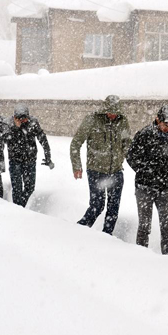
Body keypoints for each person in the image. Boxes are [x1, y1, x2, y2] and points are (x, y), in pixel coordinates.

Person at [126, 104, 168, 255]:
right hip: (144, 187)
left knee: (167, 225)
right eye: (165, 124)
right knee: (144, 225)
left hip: (164, 187)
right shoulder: (145, 134)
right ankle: (141, 253)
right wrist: (146, 171)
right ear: (158, 120)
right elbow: (131, 156)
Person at [71, 95, 132, 234]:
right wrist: (76, 166)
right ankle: (78, 231)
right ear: (104, 109)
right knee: (97, 206)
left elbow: (127, 144)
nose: (112, 115)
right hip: (96, 170)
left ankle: (106, 237)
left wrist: (130, 161)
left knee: (113, 209)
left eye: (115, 113)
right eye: (109, 112)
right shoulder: (92, 120)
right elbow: (76, 143)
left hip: (116, 171)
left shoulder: (122, 122)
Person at [6, 104, 54, 207]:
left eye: (25, 118)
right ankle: (17, 209)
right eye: (20, 118)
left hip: (30, 160)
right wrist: (16, 127)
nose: (23, 121)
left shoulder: (33, 122)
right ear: (15, 117)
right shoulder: (9, 123)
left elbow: (42, 138)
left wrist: (47, 156)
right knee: (17, 188)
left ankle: (20, 207)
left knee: (30, 187)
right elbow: (6, 139)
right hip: (15, 160)